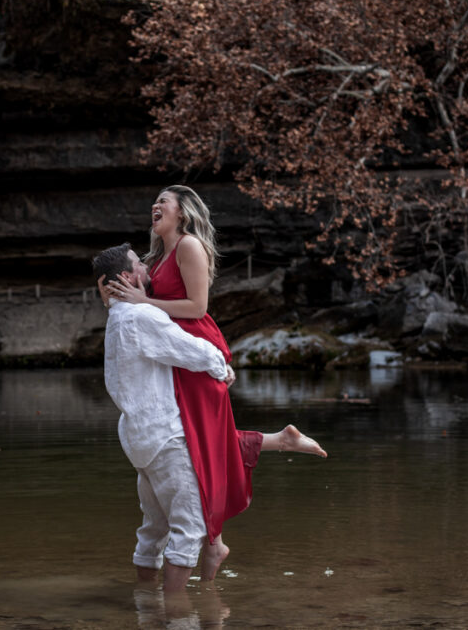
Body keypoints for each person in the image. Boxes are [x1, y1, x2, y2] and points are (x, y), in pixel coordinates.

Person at [101, 185, 326, 569]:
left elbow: (197, 306)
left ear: (183, 213)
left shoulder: (189, 246)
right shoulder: (155, 257)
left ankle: (213, 541)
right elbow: (127, 299)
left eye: (163, 202)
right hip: (173, 350)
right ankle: (274, 448)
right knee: (197, 439)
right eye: (153, 201)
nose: (155, 206)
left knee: (200, 438)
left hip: (196, 345)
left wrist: (146, 303)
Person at [93, 242, 234, 592]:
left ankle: (145, 601)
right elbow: (188, 350)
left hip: (138, 439)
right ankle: (178, 613)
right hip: (164, 436)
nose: (146, 268)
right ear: (128, 277)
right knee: (189, 528)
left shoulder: (117, 317)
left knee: (155, 527)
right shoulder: (141, 316)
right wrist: (222, 366)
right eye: (139, 264)